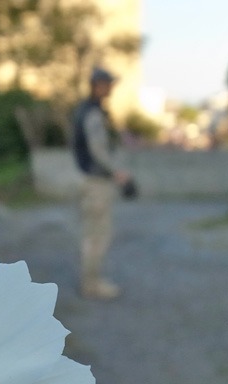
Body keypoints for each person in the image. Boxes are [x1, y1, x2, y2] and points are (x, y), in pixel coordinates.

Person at [71, 66, 132, 300]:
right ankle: (91, 283)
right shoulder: (93, 113)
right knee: (98, 234)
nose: (111, 89)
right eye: (108, 84)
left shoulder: (89, 111)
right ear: (98, 85)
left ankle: (91, 281)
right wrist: (117, 172)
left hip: (91, 179)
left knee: (93, 233)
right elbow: (98, 148)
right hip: (96, 181)